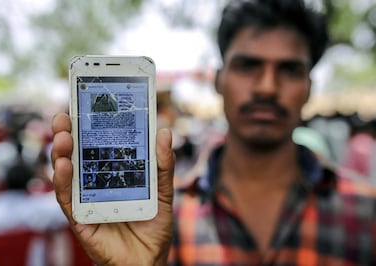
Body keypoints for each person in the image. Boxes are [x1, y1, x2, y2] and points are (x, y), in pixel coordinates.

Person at [51, 0, 376, 265]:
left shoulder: (365, 210)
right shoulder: (157, 216)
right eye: (248, 66)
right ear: (218, 81)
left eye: (289, 70)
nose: (267, 87)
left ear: (309, 88)